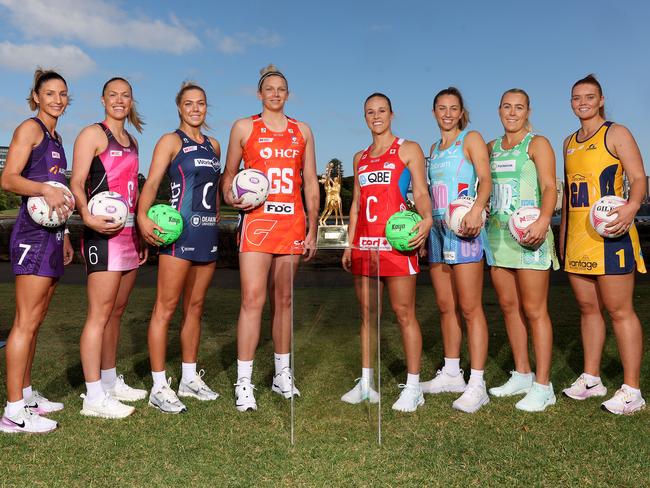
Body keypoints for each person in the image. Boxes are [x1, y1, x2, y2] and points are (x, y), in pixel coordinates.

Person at [221, 65, 319, 412]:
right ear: (260, 94)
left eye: (281, 89)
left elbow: (310, 181)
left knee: (285, 302)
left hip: (292, 224)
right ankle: (244, 383)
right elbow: (229, 173)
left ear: (287, 95)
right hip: (258, 224)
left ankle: (281, 376)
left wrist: (313, 227)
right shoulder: (244, 127)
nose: (275, 94)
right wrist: (229, 193)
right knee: (252, 300)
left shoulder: (302, 130)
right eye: (269, 89)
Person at [560, 74, 646, 414]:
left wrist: (633, 206)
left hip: (612, 236)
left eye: (589, 96)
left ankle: (633, 391)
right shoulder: (568, 140)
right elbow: (568, 196)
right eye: (576, 97)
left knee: (620, 311)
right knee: (588, 309)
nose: (582, 102)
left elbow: (639, 178)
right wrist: (562, 239)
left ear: (601, 100)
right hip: (579, 239)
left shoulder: (616, 132)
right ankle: (592, 378)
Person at [341, 93, 432, 412]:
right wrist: (350, 242)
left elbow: (420, 191)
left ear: (392, 114)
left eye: (381, 111)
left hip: (397, 244)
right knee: (367, 316)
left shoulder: (408, 149)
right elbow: (355, 205)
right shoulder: (359, 157)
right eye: (370, 112)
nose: (376, 116)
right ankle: (366, 384)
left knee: (404, 313)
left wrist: (427, 218)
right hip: (365, 244)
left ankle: (413, 387)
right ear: (364, 117)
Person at [138, 82, 221, 413]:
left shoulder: (215, 144)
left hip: (207, 234)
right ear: (179, 107)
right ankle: (159, 387)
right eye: (189, 103)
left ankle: (189, 378)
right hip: (179, 235)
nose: (196, 108)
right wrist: (142, 217)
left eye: (201, 103)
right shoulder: (171, 141)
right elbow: (153, 183)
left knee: (196, 307)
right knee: (165, 308)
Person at [0, 69, 73, 433]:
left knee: (37, 319)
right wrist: (44, 190)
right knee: (25, 322)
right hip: (30, 236)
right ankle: (13, 412)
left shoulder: (57, 137)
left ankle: (26, 393)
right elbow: (8, 178)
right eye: (50, 94)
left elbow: (59, 192)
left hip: (53, 236)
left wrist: (67, 234)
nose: (57, 100)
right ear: (36, 97)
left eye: (62, 94)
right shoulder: (29, 129)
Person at [70, 77, 147, 419]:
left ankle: (110, 381)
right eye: (113, 95)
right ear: (103, 99)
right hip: (102, 234)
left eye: (125, 96)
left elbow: (132, 190)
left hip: (128, 234)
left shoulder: (131, 140)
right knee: (99, 315)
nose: (119, 100)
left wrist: (141, 234)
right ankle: (93, 397)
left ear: (131, 101)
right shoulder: (92, 134)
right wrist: (86, 216)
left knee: (117, 312)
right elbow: (76, 181)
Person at [419, 87, 493, 413]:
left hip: (464, 230)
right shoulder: (433, 149)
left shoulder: (471, 139)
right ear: (434, 112)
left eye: (453, 108)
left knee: (470, 307)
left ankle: (478, 383)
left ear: (461, 111)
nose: (447, 113)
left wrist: (477, 210)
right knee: (446, 305)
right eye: (441, 108)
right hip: (437, 231)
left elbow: (486, 179)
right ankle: (452, 373)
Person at [486, 89, 558, 412]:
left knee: (535, 310)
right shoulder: (492, 147)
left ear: (528, 110)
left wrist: (544, 220)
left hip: (530, 236)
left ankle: (544, 386)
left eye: (519, 107)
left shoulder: (537, 144)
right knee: (509, 306)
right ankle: (523, 374)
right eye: (507, 107)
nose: (512, 112)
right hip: (499, 239)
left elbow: (549, 187)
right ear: (499, 110)